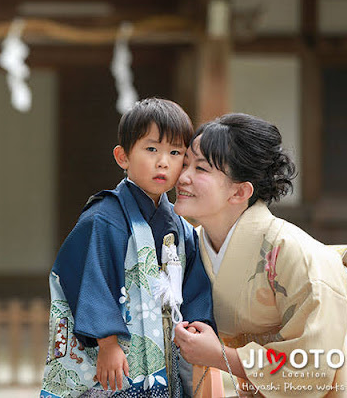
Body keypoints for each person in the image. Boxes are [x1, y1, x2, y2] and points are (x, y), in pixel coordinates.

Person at [40, 98, 216, 398]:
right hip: (114, 352)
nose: (163, 162)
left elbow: (196, 287)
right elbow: (88, 280)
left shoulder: (181, 227)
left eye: (175, 153)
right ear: (123, 157)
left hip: (165, 351)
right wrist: (107, 343)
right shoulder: (103, 219)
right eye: (152, 149)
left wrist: (198, 328)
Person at [173, 113, 347, 397]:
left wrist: (220, 356)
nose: (182, 177)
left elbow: (315, 367)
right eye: (185, 164)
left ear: (240, 192)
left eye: (201, 169)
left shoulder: (295, 254)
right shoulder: (189, 244)